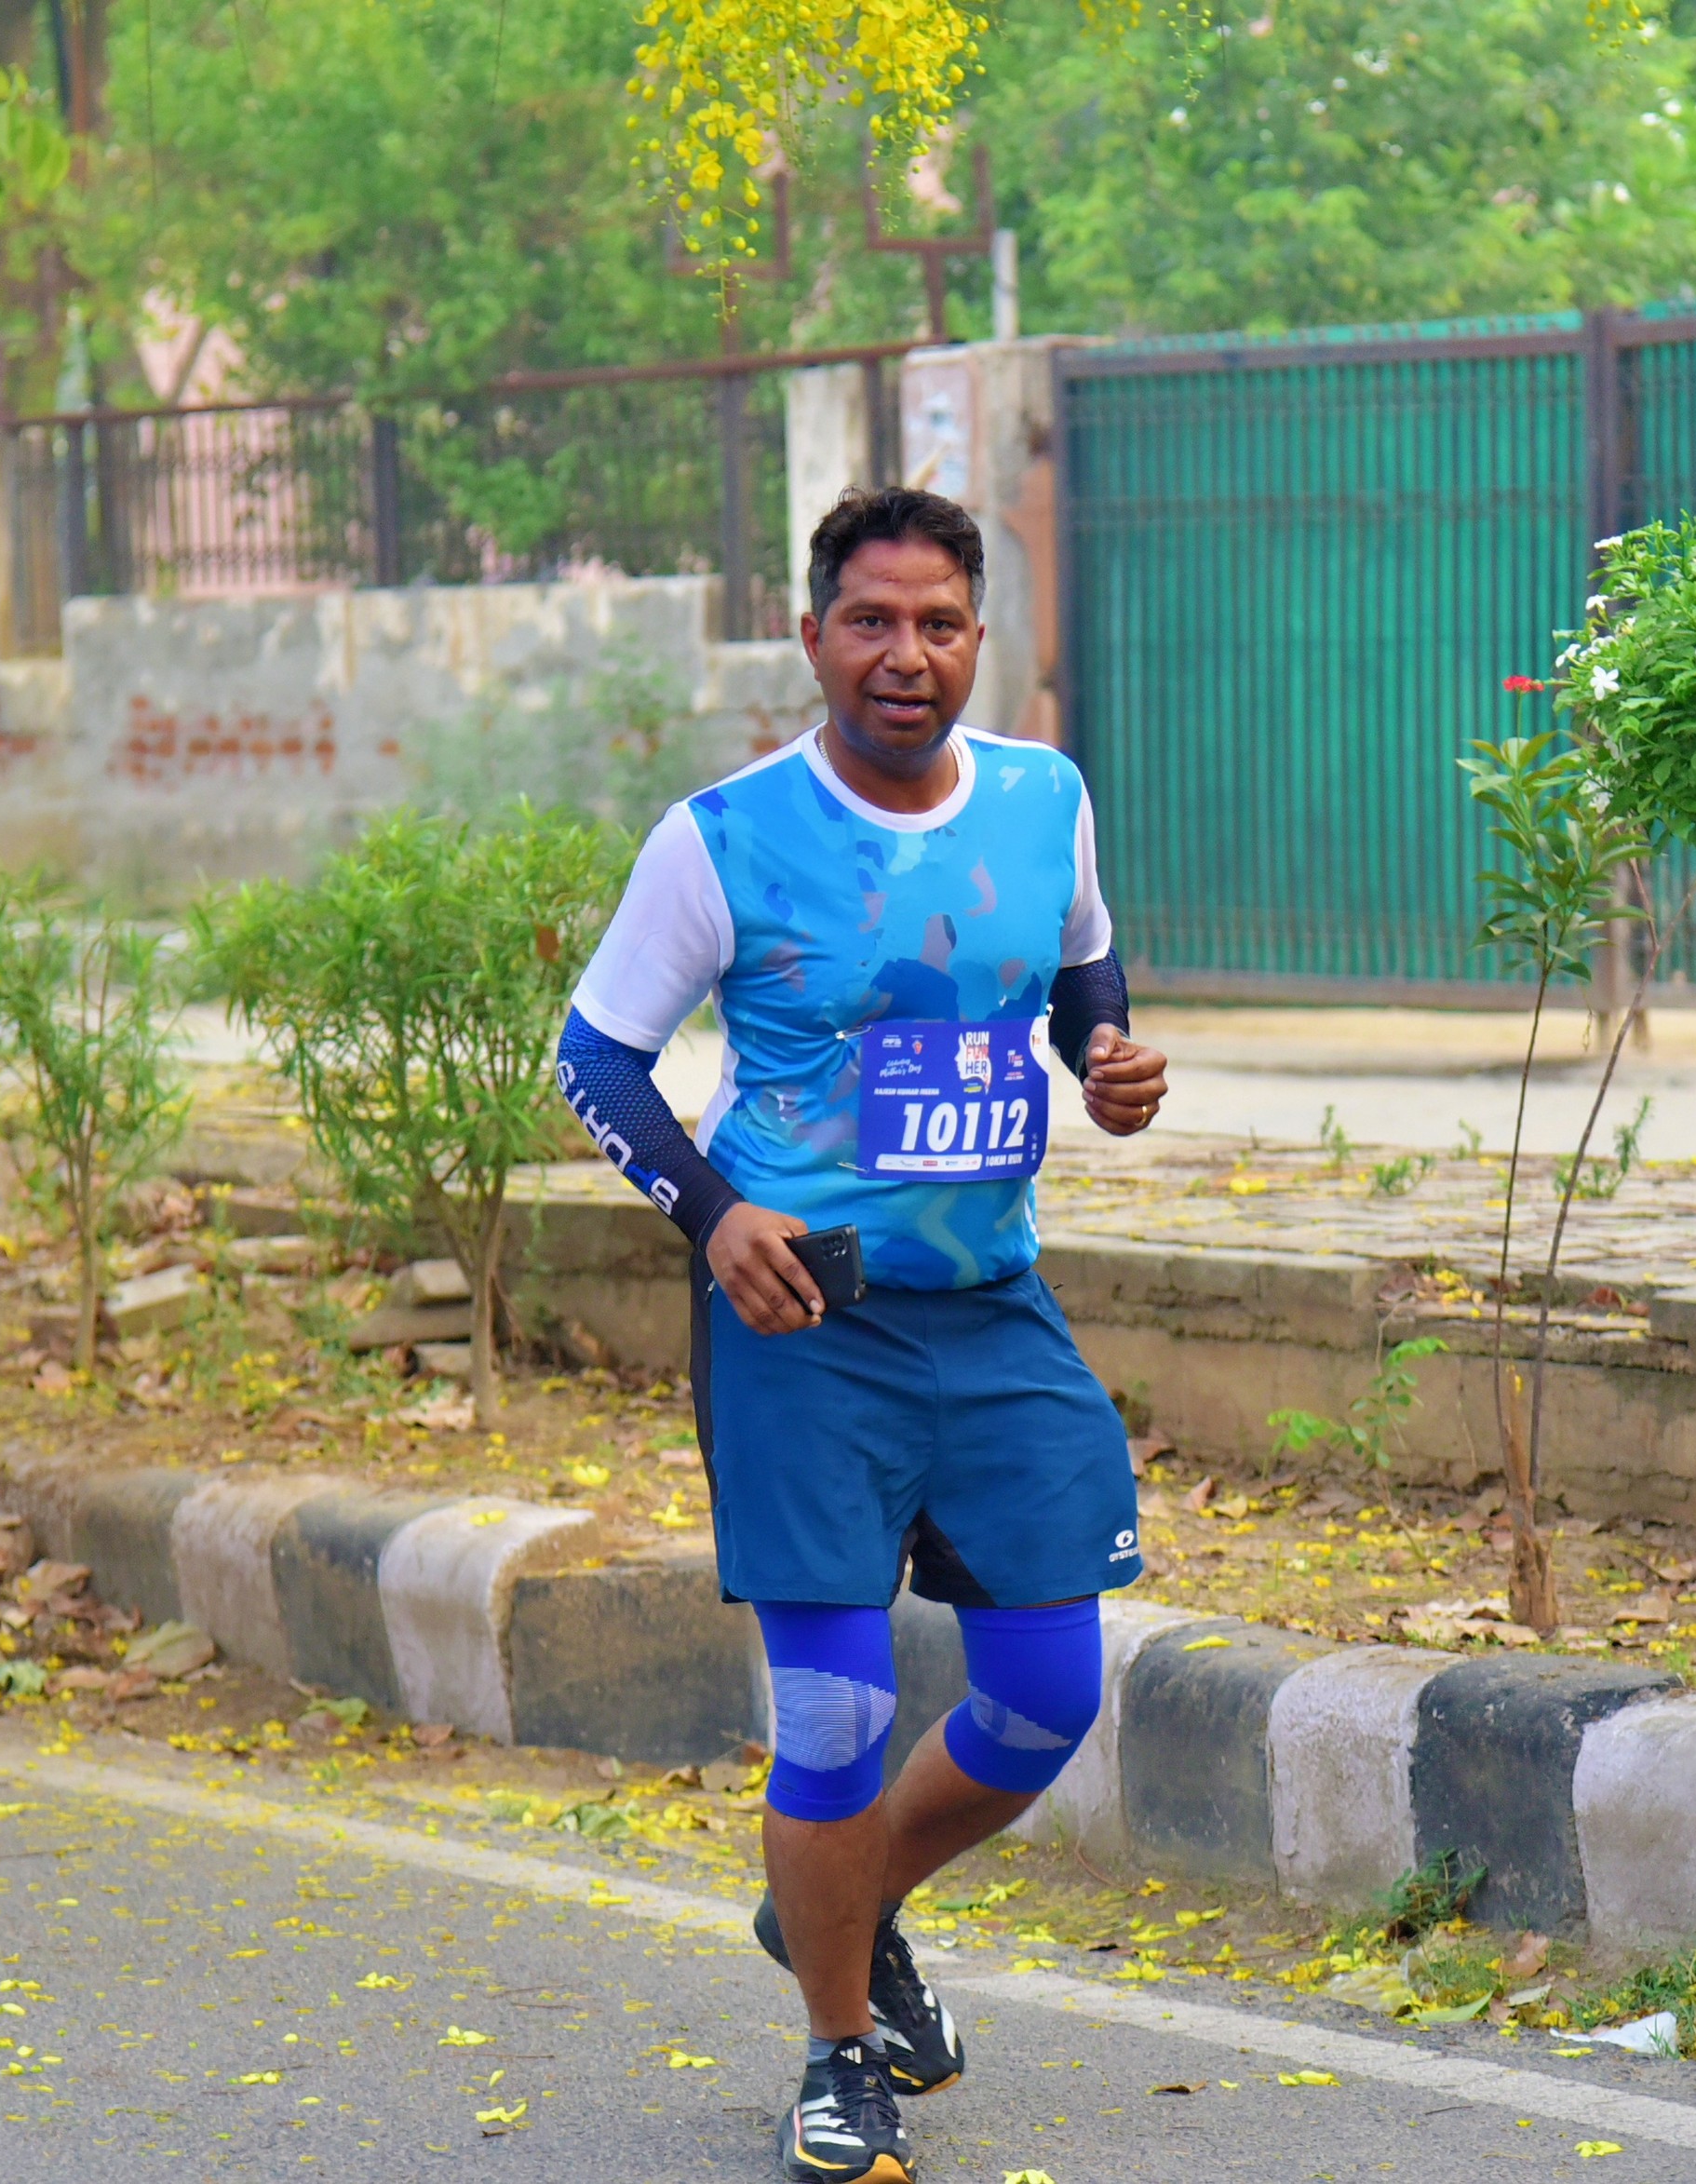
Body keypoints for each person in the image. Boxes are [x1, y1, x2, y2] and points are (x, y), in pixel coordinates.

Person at [554, 485, 1169, 2183]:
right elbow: (597, 1056)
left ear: (980, 638)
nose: (908, 654)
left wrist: (1107, 1056)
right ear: (813, 634)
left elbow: (1081, 966)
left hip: (992, 1309)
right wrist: (713, 1214)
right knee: (831, 1711)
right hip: (802, 1315)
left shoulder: (1045, 798)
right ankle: (839, 2051)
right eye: (873, 622)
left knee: (1046, 1689)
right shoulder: (725, 838)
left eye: (940, 623)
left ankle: (838, 1897)